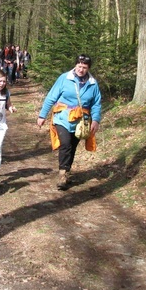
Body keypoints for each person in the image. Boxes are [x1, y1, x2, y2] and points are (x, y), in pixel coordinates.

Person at [36, 54, 101, 190]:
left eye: (84, 67)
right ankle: (62, 175)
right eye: (79, 66)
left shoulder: (93, 84)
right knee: (65, 144)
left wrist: (96, 120)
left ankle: (67, 170)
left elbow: (96, 104)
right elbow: (51, 97)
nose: (81, 69)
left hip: (81, 121)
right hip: (62, 117)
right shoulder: (64, 78)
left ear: (88, 68)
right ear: (75, 65)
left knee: (72, 146)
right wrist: (42, 116)